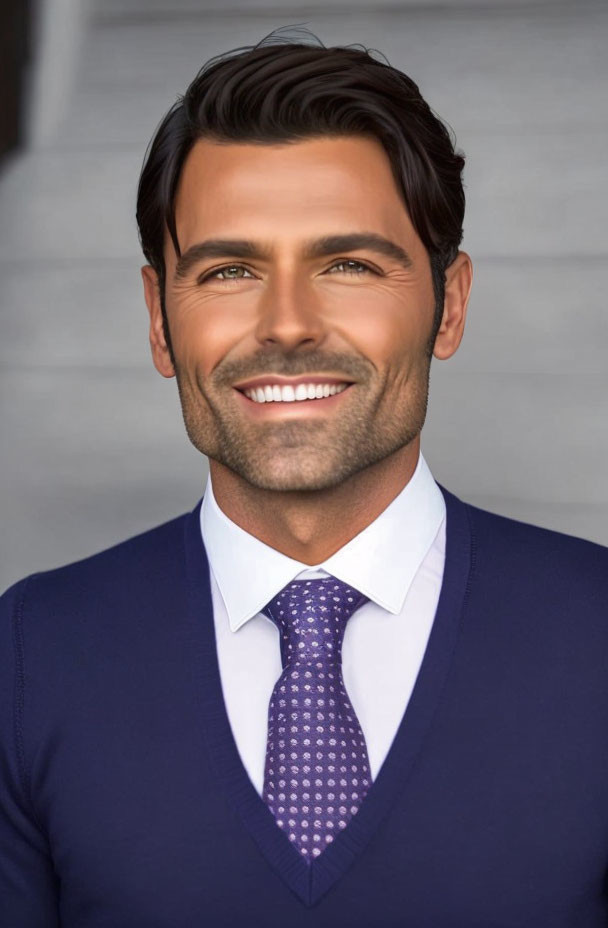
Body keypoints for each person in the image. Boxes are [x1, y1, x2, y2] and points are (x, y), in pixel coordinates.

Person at [1, 32, 607, 928]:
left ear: (451, 305)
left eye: (350, 265)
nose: (287, 324)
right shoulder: (28, 658)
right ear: (160, 324)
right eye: (230, 270)